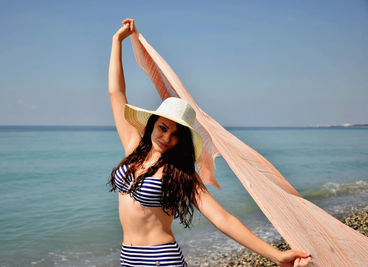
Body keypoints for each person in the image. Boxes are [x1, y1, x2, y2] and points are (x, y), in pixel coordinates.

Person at [108, 18, 312, 267]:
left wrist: (277, 255)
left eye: (176, 134)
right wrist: (117, 41)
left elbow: (222, 219)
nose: (167, 138)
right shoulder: (133, 148)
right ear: (152, 124)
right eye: (163, 128)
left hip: (160, 260)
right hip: (128, 259)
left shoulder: (179, 172)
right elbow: (116, 93)